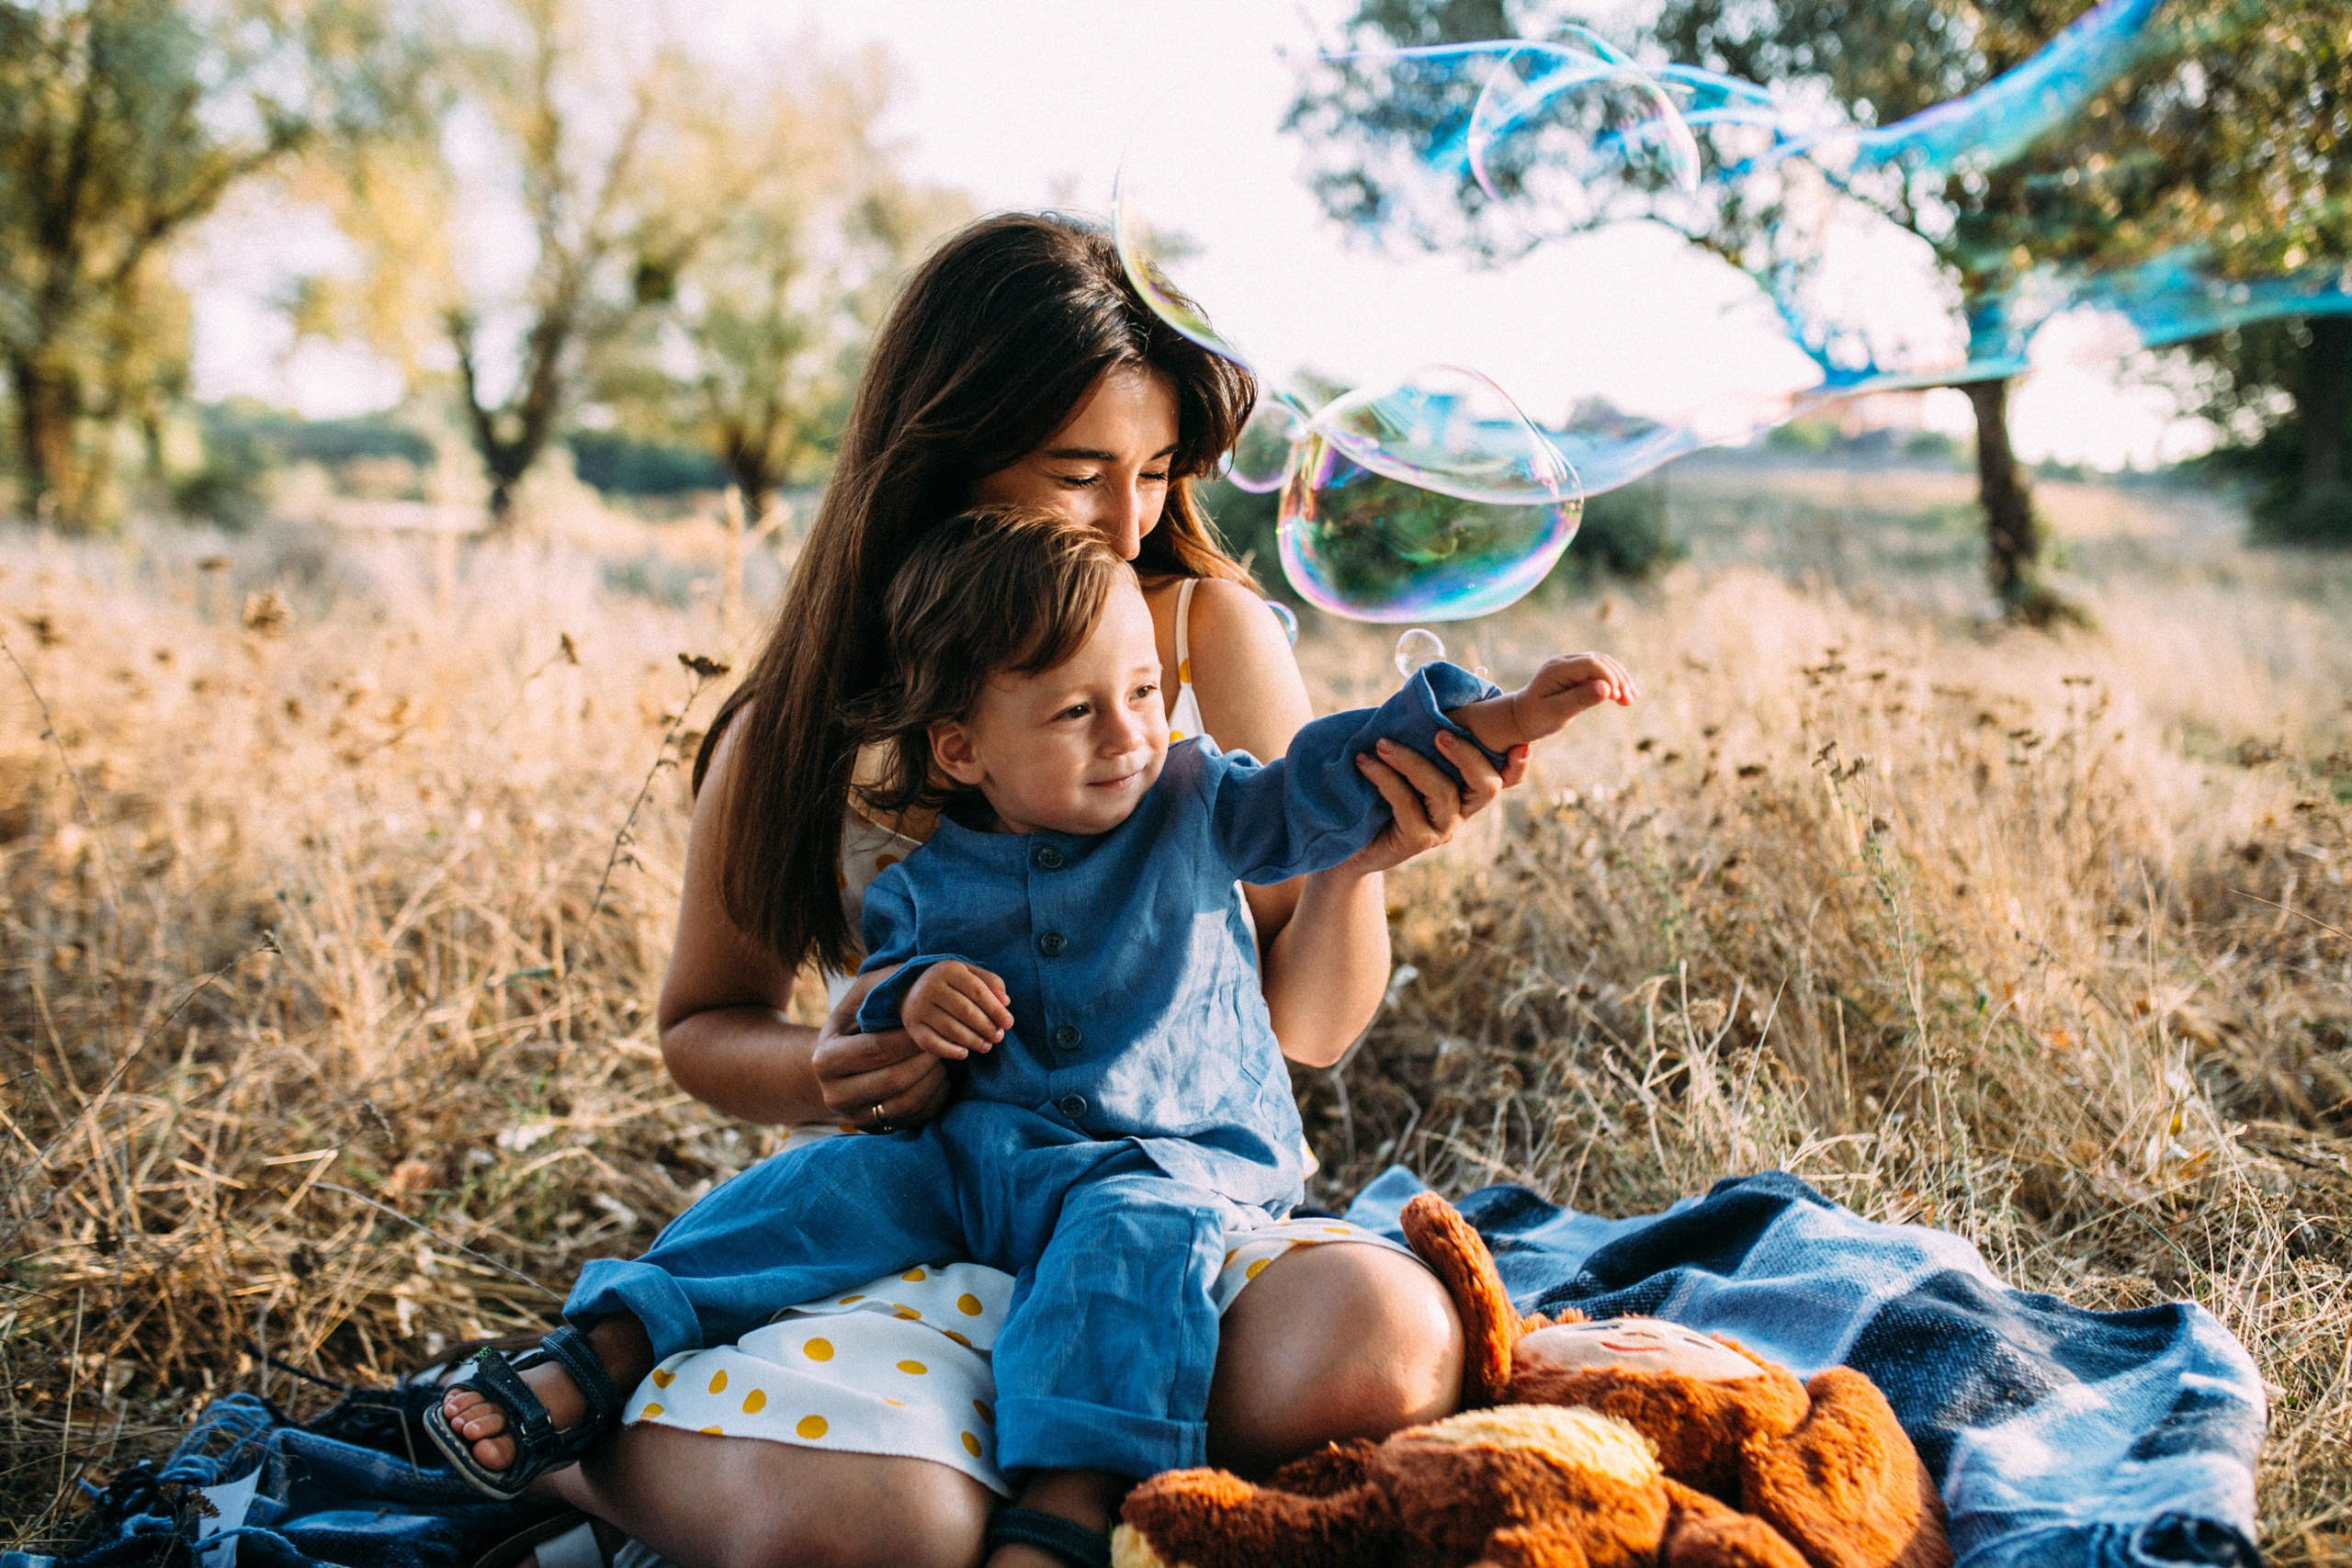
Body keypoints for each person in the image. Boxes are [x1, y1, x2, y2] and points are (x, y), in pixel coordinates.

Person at [473, 212, 1544, 1568]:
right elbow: (704, 1027)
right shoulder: (796, 729)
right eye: (1077, 475)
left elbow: (1308, 1031)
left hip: (1167, 1216)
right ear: (943, 458)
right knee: (891, 1533)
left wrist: (1353, 870)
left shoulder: (1197, 635)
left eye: (1156, 472)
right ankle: (596, 1451)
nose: (1129, 522)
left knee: (1381, 1346)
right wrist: (836, 1068)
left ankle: (1019, 1454)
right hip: (920, 1221)